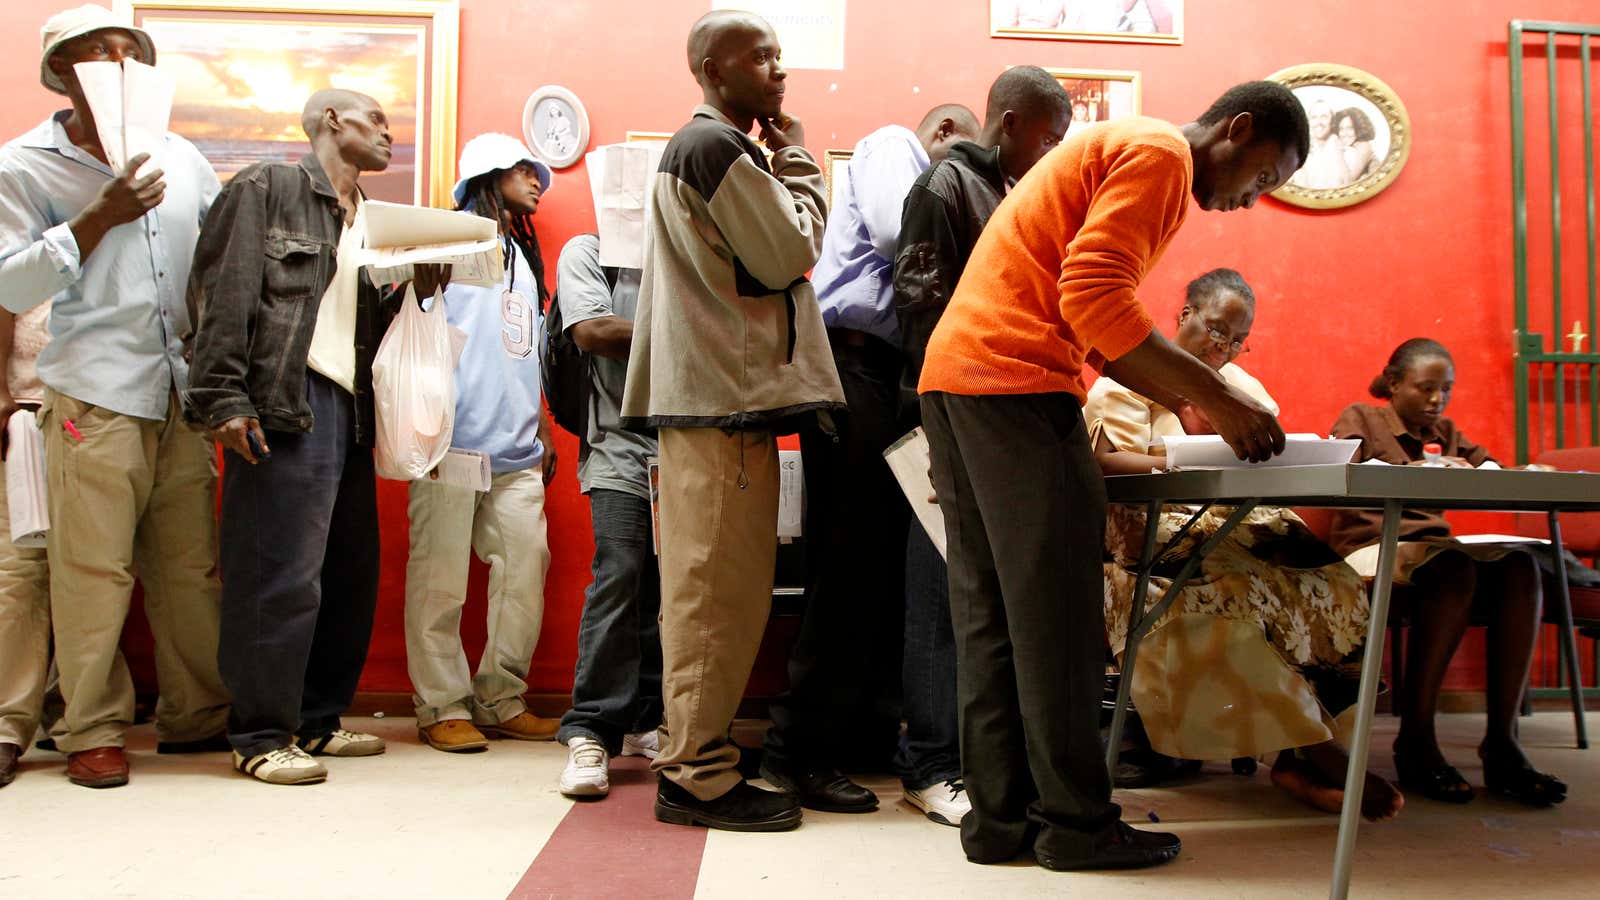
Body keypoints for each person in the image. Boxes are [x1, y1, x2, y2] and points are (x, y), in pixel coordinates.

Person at [917, 80, 1307, 870]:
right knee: (1059, 621)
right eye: (1262, 178)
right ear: (1236, 129)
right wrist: (1220, 397)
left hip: (955, 381)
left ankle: (999, 823)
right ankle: (1076, 826)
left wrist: (1186, 397)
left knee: (990, 616)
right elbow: (1094, 298)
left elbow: (1091, 319)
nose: (1249, 201)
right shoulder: (1162, 154)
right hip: (1015, 384)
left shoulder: (1122, 145)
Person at [621, 9, 845, 832]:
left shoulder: (715, 148)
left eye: (781, 54)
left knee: (720, 592)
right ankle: (697, 777)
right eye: (761, 57)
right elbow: (790, 250)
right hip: (718, 406)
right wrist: (800, 161)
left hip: (721, 403)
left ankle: (698, 758)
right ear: (714, 69)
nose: (780, 70)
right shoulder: (713, 147)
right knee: (713, 595)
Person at [0, 4, 231, 790]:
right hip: (92, 390)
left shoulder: (182, 156)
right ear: (61, 73)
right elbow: (9, 280)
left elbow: (214, 268)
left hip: (180, 392)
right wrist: (97, 218)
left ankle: (198, 714)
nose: (116, 59)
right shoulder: (24, 164)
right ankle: (91, 728)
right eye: (95, 51)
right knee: (90, 569)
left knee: (188, 566)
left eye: (129, 50)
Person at [1085, 268, 1402, 821]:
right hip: (1156, 526)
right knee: (1226, 593)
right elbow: (1106, 466)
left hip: (1244, 520)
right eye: (1215, 330)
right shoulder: (1123, 378)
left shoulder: (1245, 388)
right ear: (1183, 316)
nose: (1223, 347)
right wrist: (1182, 458)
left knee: (1334, 581)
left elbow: (1271, 458)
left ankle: (1301, 753)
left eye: (1236, 339)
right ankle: (1316, 750)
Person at [759, 102, 978, 815]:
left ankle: (850, 738)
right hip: (856, 369)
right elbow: (895, 231)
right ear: (945, 135)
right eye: (967, 158)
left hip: (887, 376)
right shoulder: (892, 145)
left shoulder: (925, 169)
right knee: (848, 570)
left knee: (881, 572)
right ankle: (799, 754)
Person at [187, 88, 403, 786]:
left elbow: (355, 318)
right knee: (276, 575)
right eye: (377, 119)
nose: (388, 133)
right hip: (285, 400)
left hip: (350, 404)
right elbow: (222, 293)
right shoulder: (268, 186)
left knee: (346, 576)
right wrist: (222, 397)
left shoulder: (370, 216)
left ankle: (316, 721)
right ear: (333, 121)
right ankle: (256, 735)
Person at [892, 65, 1071, 828]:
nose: (1053, 152)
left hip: (997, 422)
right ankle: (929, 761)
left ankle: (978, 761)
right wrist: (941, 435)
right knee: (941, 591)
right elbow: (921, 314)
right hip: (950, 418)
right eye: (1048, 137)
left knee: (978, 595)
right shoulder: (943, 189)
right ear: (1008, 123)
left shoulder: (1007, 196)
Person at [1328, 339, 1568, 807]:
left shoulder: (1445, 430)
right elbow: (1345, 474)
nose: (1437, 400)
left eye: (1446, 390)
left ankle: (1502, 743)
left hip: (1431, 554)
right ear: (1394, 384)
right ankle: (1416, 740)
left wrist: (1520, 472)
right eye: (1426, 388)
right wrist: (1418, 467)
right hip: (1370, 547)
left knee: (1520, 568)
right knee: (1454, 567)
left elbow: (1489, 468)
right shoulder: (1361, 418)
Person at [404, 133, 561, 754]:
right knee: (440, 580)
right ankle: (441, 703)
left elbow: (524, 351)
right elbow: (410, 317)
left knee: (525, 571)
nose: (535, 180)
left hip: (517, 449)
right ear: (488, 175)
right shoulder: (449, 238)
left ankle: (499, 697)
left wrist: (544, 425)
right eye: (523, 169)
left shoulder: (523, 255)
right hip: (451, 444)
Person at [553, 225, 662, 798]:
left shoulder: (680, 249)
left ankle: (645, 719)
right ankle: (590, 728)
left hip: (680, 446)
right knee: (619, 573)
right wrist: (692, 327)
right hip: (617, 445)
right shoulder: (589, 250)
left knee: (666, 588)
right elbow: (593, 331)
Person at [0, 300, 52, 789]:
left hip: (96, 412)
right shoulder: (15, 235)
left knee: (89, 571)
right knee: (19, 573)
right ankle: (7, 727)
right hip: (23, 416)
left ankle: (72, 713)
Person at [1291, 99, 1349, 190]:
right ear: (1308, 121)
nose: (1319, 122)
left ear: (1332, 121)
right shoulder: (1296, 149)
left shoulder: (1345, 148)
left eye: (1324, 117)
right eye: (1314, 117)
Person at [1332, 106, 1377, 182]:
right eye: (1341, 129)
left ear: (1358, 128)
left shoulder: (1364, 146)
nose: (1344, 133)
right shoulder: (1351, 147)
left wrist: (1339, 153)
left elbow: (1348, 181)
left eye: (1349, 128)